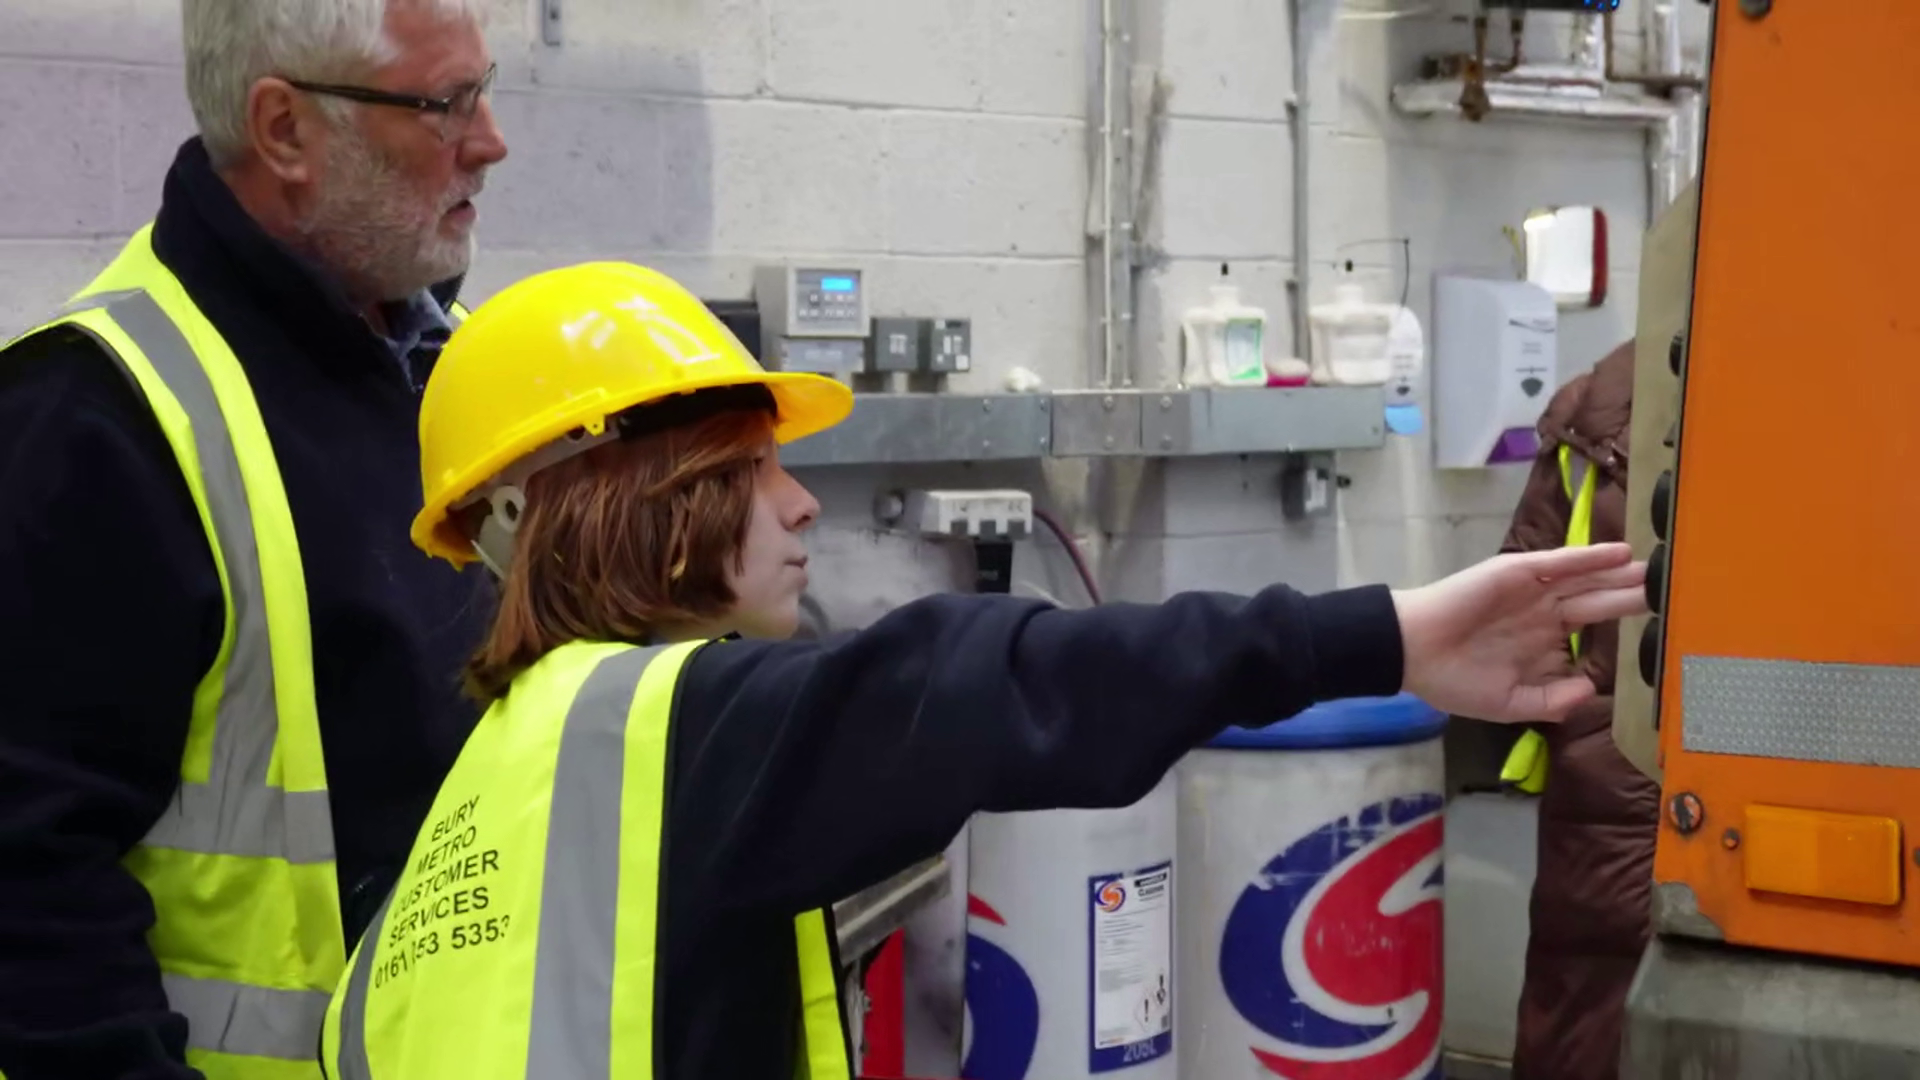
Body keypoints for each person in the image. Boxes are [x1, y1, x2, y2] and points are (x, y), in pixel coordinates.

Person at [320, 261, 1649, 1079]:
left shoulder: (476, 802)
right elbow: (984, 680)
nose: (801, 509)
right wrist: (1389, 633)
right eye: (746, 469)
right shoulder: (677, 732)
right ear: (614, 502)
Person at [0, 1, 507, 1077]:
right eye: (443, 103)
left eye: (486, 90)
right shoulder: (96, 419)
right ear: (284, 130)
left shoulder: (444, 368)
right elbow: (29, 879)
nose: (489, 139)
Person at [1471, 340, 1658, 1080]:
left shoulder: (1596, 404)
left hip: (1601, 764)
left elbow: (1515, 601)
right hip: (1746, 755)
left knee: (1582, 1001)